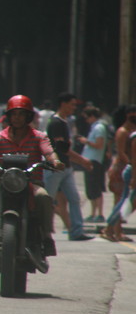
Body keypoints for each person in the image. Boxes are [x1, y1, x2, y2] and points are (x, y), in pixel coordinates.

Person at [0, 95, 62, 262]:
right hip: (4, 184)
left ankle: (47, 236)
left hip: (32, 183)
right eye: (14, 114)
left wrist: (55, 160)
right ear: (9, 116)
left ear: (28, 116)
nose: (17, 118)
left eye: (21, 114)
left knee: (44, 197)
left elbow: (48, 151)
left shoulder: (39, 136)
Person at [44, 92, 94, 242]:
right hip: (55, 168)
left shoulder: (65, 122)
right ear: (63, 104)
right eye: (72, 104)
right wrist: (83, 160)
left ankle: (76, 231)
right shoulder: (56, 123)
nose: (74, 108)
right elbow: (62, 149)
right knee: (46, 200)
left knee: (74, 198)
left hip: (66, 168)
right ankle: (40, 230)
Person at [102, 104, 136, 242]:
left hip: (129, 167)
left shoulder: (132, 131)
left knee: (125, 202)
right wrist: (132, 167)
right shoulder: (122, 131)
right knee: (121, 202)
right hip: (122, 168)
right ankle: (112, 231)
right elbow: (121, 152)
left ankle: (114, 230)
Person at [78, 106, 108, 222]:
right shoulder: (95, 127)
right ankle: (93, 213)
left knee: (96, 188)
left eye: (87, 118)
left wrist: (86, 142)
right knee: (90, 189)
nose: (86, 120)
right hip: (90, 160)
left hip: (94, 161)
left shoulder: (99, 128)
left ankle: (99, 214)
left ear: (92, 116)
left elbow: (99, 145)